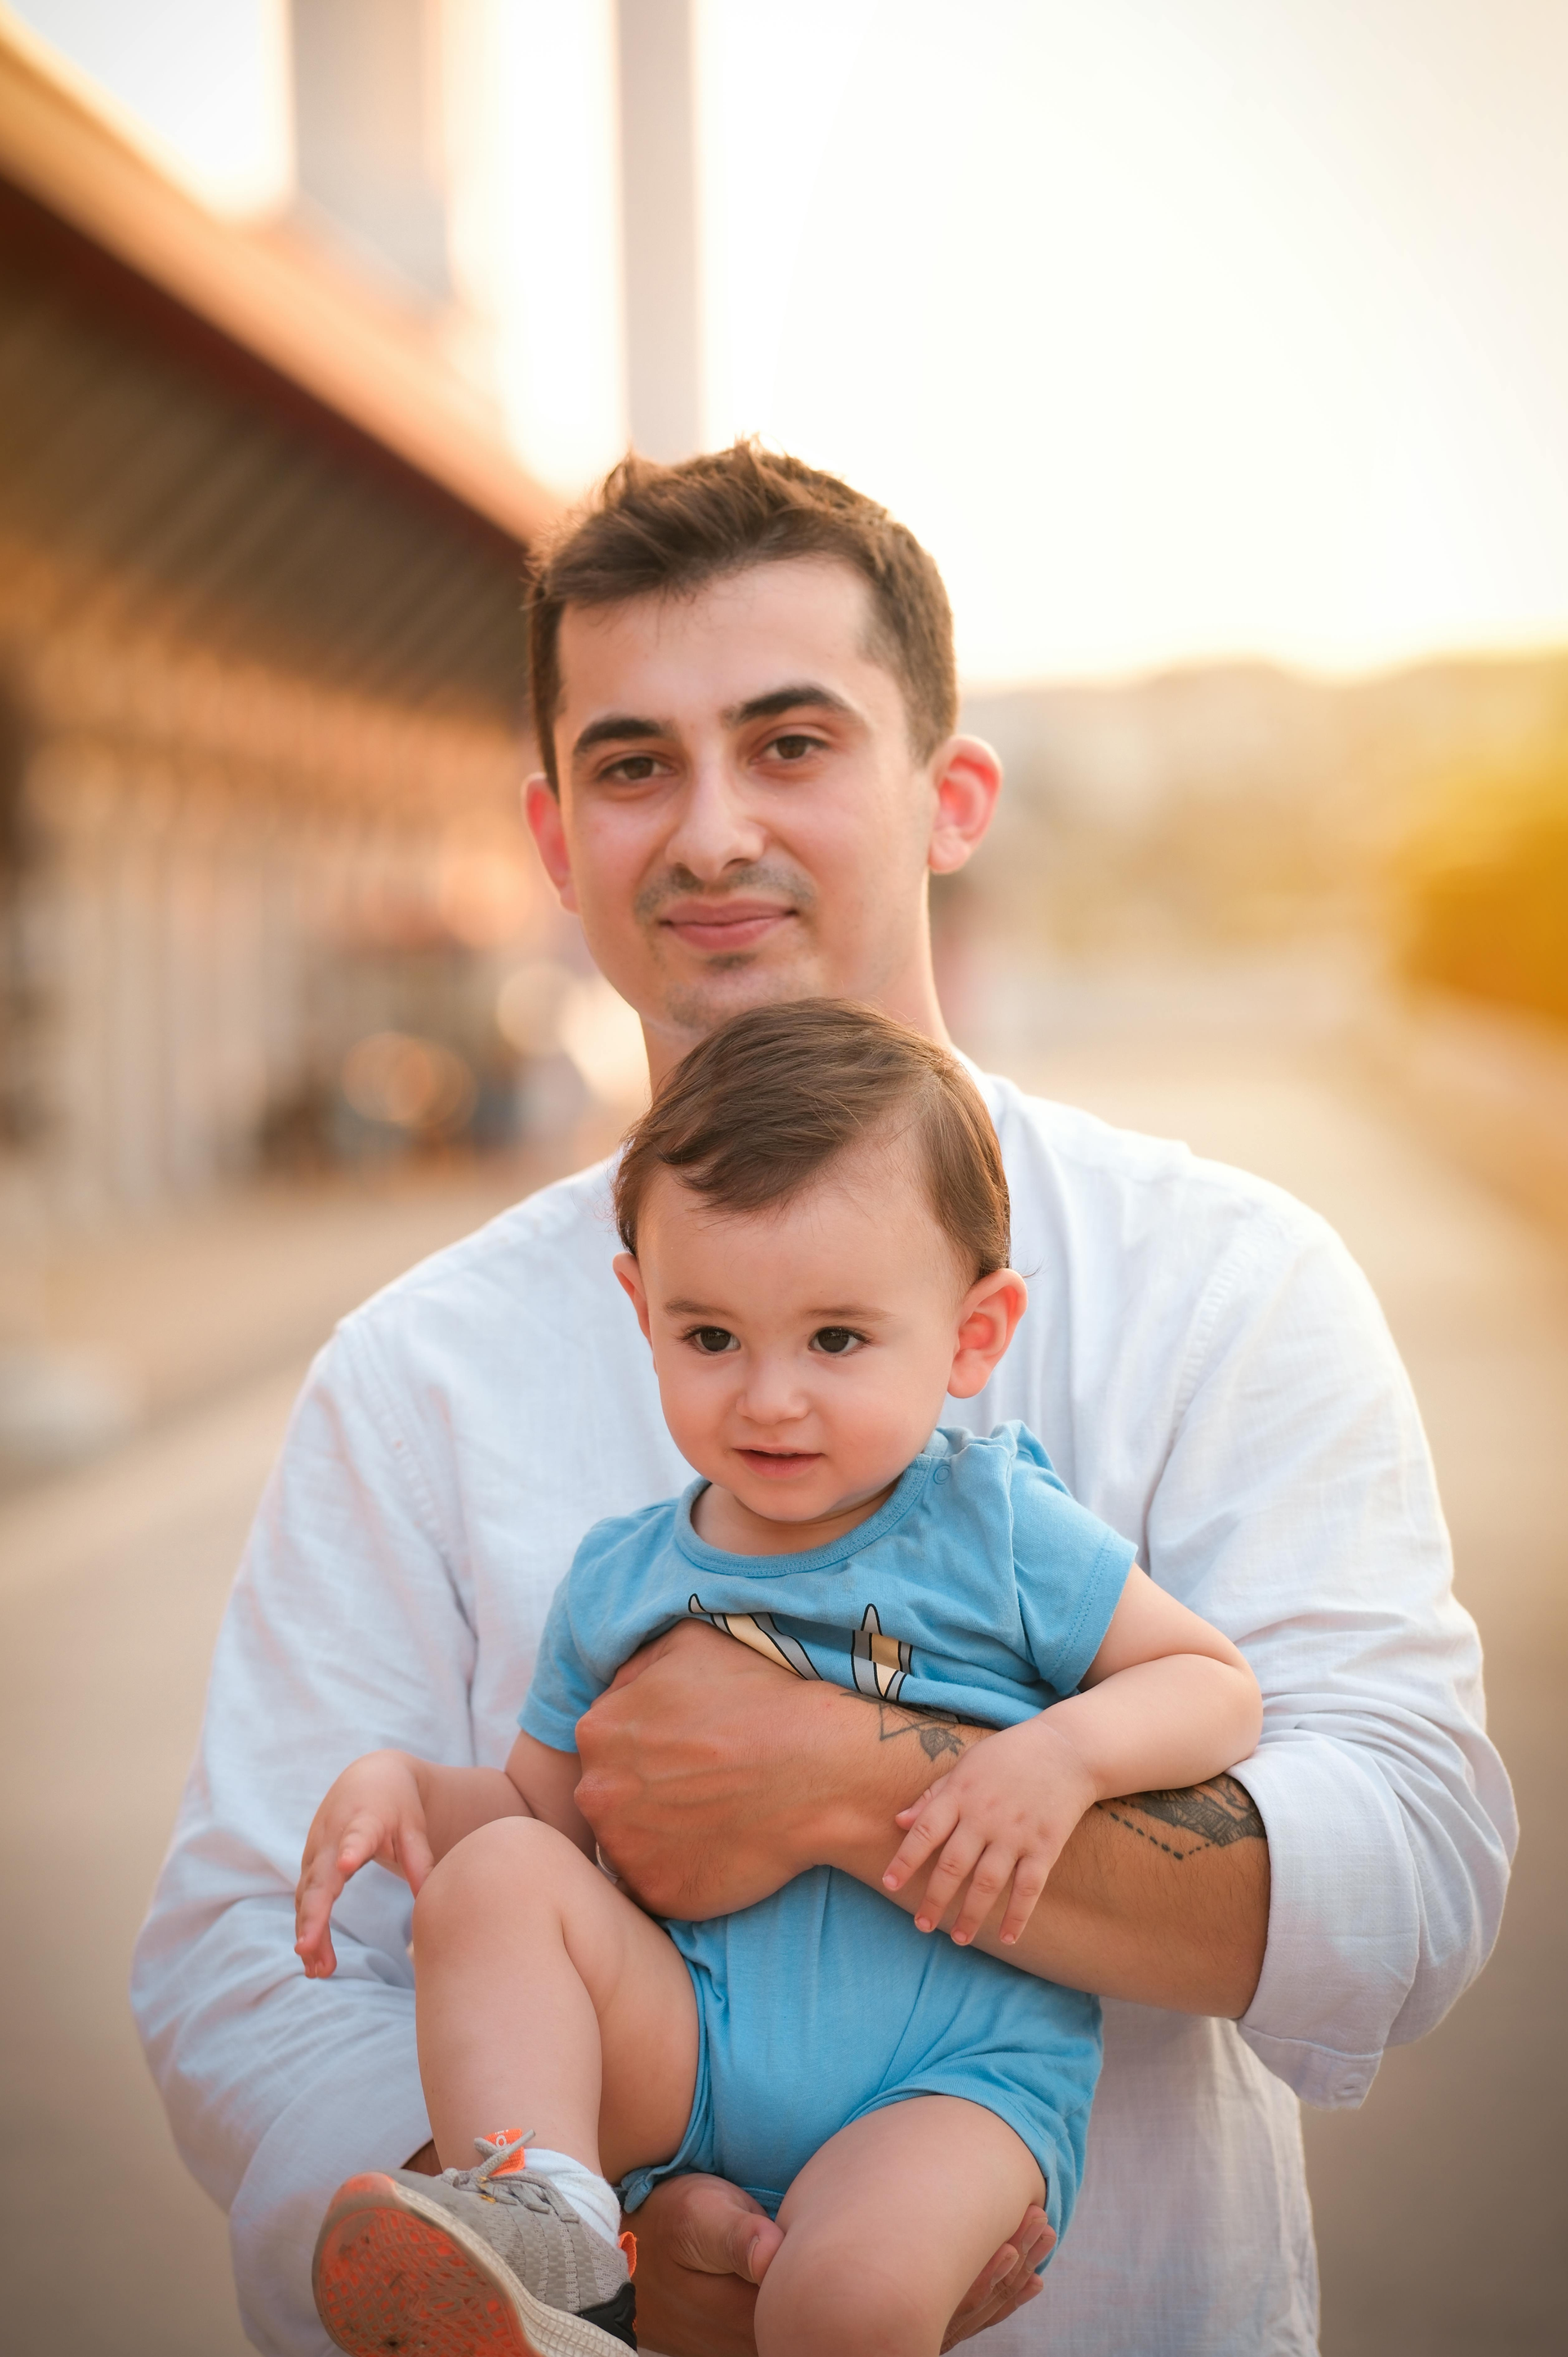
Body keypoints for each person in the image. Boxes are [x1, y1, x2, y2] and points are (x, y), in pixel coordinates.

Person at [131, 443, 1515, 2357]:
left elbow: (1413, 1861)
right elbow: (242, 1968)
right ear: (555, 843)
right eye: (634, 766)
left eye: (791, 743)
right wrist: (607, 2249)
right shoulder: (412, 1371)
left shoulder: (1229, 1280)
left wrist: (858, 1788)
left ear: (949, 798)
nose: (709, 833)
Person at [292, 1002, 1264, 2357]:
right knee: (491, 1886)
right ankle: (557, 2230)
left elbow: (1215, 1686)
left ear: (975, 1333)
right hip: (691, 2044)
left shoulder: (993, 1525)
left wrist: (1063, 1753)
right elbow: (545, 1818)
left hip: (952, 2072)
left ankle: (725, 2279)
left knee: (843, 2304)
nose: (769, 1399)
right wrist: (409, 1791)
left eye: (837, 1340)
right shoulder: (622, 1577)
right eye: (712, 1339)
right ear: (643, 1307)